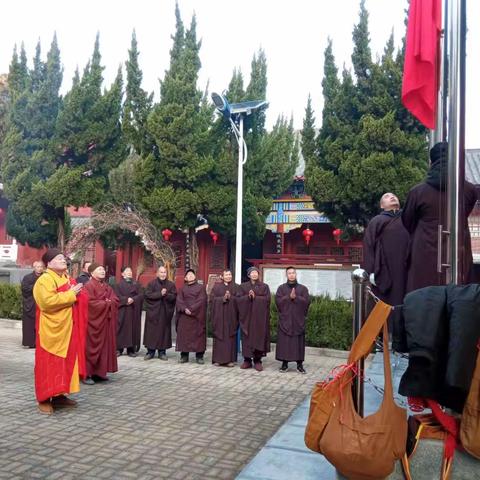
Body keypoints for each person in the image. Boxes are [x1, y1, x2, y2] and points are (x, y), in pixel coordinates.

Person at [402, 142, 478, 292]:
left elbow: (407, 221)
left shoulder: (417, 192)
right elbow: (465, 213)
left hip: (424, 251)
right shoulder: (469, 190)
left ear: (431, 162)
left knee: (424, 298)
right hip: (458, 250)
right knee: (457, 297)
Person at [33, 249, 88, 415]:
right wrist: (72, 294)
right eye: (59, 258)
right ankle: (44, 398)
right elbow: (47, 303)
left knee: (65, 363)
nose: (63, 260)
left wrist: (79, 293)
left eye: (63, 258)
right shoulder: (45, 280)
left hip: (67, 327)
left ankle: (59, 395)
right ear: (49, 263)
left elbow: (79, 295)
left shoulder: (65, 278)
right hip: (51, 330)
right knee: (48, 363)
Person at [363, 192, 410, 306]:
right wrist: (371, 272)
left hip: (405, 269)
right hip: (384, 270)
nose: (392, 197)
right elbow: (369, 246)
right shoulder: (377, 221)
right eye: (387, 197)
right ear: (382, 206)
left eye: (394, 195)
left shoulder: (407, 218)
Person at [83, 263, 119, 384]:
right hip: (93, 323)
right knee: (90, 347)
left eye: (103, 269)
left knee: (104, 347)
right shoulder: (88, 286)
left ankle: (99, 373)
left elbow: (115, 299)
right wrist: (106, 303)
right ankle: (87, 374)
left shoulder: (107, 286)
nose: (103, 271)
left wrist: (109, 303)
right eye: (99, 269)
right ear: (92, 273)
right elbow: (89, 303)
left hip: (104, 322)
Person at [275, 267, 310, 374]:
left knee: (298, 343)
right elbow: (278, 302)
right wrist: (288, 297)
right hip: (285, 320)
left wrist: (297, 298)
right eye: (289, 273)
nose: (291, 275)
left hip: (298, 320)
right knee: (285, 342)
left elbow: (307, 302)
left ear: (296, 274)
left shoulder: (303, 289)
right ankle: (284, 364)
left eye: (293, 273)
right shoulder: (281, 288)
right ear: (286, 275)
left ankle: (299, 364)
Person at [237, 266, 271, 372]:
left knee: (258, 337)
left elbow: (267, 300)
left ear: (258, 274)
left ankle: (257, 360)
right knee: (246, 337)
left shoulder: (264, 286)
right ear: (248, 275)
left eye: (256, 272)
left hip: (259, 318)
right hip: (246, 317)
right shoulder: (243, 286)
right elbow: (238, 300)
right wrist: (248, 297)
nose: (254, 274)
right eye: (252, 273)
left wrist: (256, 298)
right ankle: (247, 360)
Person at [143, 265, 177, 361]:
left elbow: (174, 297)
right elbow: (147, 295)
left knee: (163, 332)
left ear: (167, 274)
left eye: (164, 272)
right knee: (151, 332)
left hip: (164, 313)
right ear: (157, 273)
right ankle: (150, 352)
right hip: (153, 312)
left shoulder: (171, 285)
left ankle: (162, 352)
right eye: (161, 272)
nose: (163, 274)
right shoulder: (151, 284)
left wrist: (165, 294)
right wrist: (159, 294)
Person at [175, 269, 207, 364]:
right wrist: (185, 309)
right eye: (188, 275)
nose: (190, 276)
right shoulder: (182, 288)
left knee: (199, 335)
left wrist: (192, 309)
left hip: (197, 316)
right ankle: (184, 356)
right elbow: (179, 300)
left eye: (192, 274)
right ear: (185, 278)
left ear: (195, 276)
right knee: (184, 336)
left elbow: (202, 300)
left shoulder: (201, 287)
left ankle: (199, 356)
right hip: (185, 316)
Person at [210, 269, 239, 367]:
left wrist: (231, 298)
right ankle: (218, 359)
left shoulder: (236, 287)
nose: (228, 276)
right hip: (219, 316)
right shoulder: (217, 287)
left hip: (231, 316)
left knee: (230, 337)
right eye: (226, 275)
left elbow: (240, 300)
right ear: (222, 276)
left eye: (230, 274)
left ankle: (230, 360)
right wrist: (223, 298)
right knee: (219, 337)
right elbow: (212, 300)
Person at [114, 266, 143, 357]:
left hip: (133, 309)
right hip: (123, 310)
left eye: (130, 271)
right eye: (127, 271)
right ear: (122, 274)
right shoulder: (118, 285)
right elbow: (116, 296)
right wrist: (126, 300)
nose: (129, 272)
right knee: (121, 328)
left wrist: (133, 299)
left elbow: (141, 295)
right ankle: (119, 349)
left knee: (132, 329)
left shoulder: (136, 284)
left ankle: (131, 349)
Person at [20, 260, 44, 348]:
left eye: (41, 267)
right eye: (38, 267)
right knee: (29, 324)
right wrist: (36, 286)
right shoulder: (28, 277)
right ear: (34, 268)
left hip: (42, 303)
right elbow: (25, 289)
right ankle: (30, 342)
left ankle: (41, 342)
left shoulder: (45, 277)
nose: (39, 269)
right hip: (31, 303)